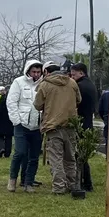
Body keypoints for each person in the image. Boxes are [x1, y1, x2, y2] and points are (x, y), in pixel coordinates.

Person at [34, 62, 82, 194]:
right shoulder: (72, 83)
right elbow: (79, 99)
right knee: (70, 158)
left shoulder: (44, 85)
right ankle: (72, 185)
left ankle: (59, 187)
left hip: (52, 127)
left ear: (46, 72)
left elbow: (37, 105)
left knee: (56, 159)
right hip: (70, 125)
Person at [6, 59, 44, 192]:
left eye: (38, 72)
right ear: (28, 71)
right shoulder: (18, 82)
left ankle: (28, 183)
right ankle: (12, 180)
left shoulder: (43, 84)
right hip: (21, 124)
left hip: (37, 126)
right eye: (34, 71)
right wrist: (16, 121)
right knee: (20, 153)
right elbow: (11, 102)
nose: (36, 74)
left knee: (34, 156)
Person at [70, 61, 97, 130]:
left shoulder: (78, 85)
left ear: (81, 73)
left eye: (74, 75)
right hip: (89, 118)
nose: (72, 77)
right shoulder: (91, 84)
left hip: (81, 118)